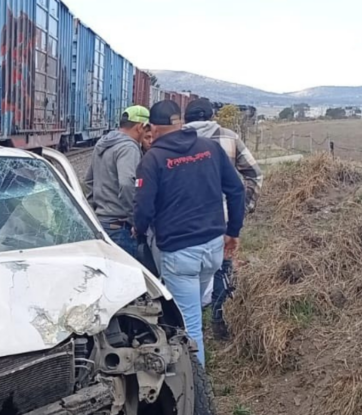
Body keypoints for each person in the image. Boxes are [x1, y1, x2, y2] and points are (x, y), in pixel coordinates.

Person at [133, 100, 246, 366]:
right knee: (194, 304)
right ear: (180, 123)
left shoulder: (153, 159)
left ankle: (197, 391)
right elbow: (237, 190)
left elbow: (143, 208)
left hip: (180, 252)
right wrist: (233, 231)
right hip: (213, 248)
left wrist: (139, 232)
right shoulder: (210, 149)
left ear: (153, 128)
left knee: (189, 325)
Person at [184, 98, 263, 340]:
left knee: (184, 275)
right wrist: (242, 208)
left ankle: (185, 329)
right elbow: (254, 174)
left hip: (181, 221)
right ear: (211, 116)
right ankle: (219, 322)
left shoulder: (174, 140)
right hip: (222, 220)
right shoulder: (229, 137)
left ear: (186, 118)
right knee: (221, 269)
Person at [84, 106, 150, 259]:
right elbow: (127, 184)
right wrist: (135, 220)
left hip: (101, 222)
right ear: (140, 127)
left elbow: (88, 181)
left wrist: (95, 209)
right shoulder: (128, 147)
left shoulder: (103, 143)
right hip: (120, 227)